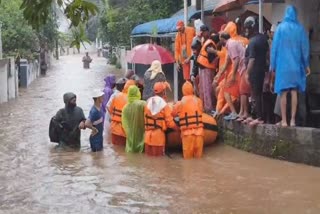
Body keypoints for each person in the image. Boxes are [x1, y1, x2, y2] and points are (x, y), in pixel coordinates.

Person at [271, 5, 310, 127]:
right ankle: (292, 120)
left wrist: (272, 65)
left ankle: (284, 120)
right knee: (294, 92)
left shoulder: (280, 28)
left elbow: (274, 49)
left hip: (283, 67)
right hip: (295, 66)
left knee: (283, 93)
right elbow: (305, 48)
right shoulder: (300, 29)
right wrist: (306, 64)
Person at [243, 16, 269, 126]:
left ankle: (259, 117)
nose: (246, 31)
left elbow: (251, 59)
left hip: (255, 71)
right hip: (263, 69)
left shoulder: (253, 41)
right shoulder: (263, 38)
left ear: (251, 28)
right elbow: (268, 55)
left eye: (247, 28)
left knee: (256, 94)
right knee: (261, 94)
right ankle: (259, 116)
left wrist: (247, 73)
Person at [172, 81, 204, 159]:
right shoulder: (198, 101)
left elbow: (172, 114)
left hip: (187, 134)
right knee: (198, 159)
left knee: (188, 161)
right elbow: (201, 111)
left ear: (183, 91)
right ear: (192, 90)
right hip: (199, 133)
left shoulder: (180, 103)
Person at [144, 82, 177, 156]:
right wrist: (178, 129)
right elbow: (170, 123)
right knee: (159, 163)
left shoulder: (147, 102)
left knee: (149, 163)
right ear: (163, 92)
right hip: (158, 138)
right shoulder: (164, 105)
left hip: (147, 137)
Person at [197, 25, 218, 113]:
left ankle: (209, 108)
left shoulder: (209, 43)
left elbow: (211, 57)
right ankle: (205, 107)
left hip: (207, 69)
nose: (202, 34)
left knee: (207, 88)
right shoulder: (205, 41)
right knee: (202, 88)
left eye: (203, 32)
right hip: (203, 68)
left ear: (206, 32)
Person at [108, 80, 135, 146]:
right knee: (122, 151)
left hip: (114, 128)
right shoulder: (131, 101)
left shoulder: (116, 96)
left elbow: (109, 109)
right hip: (123, 131)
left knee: (115, 150)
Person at [122, 85, 146, 153]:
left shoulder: (125, 108)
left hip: (130, 140)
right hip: (142, 138)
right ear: (137, 93)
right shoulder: (143, 104)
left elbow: (124, 124)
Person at [105, 78, 127, 143]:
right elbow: (108, 107)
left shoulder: (115, 94)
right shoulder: (117, 95)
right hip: (111, 122)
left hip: (111, 122)